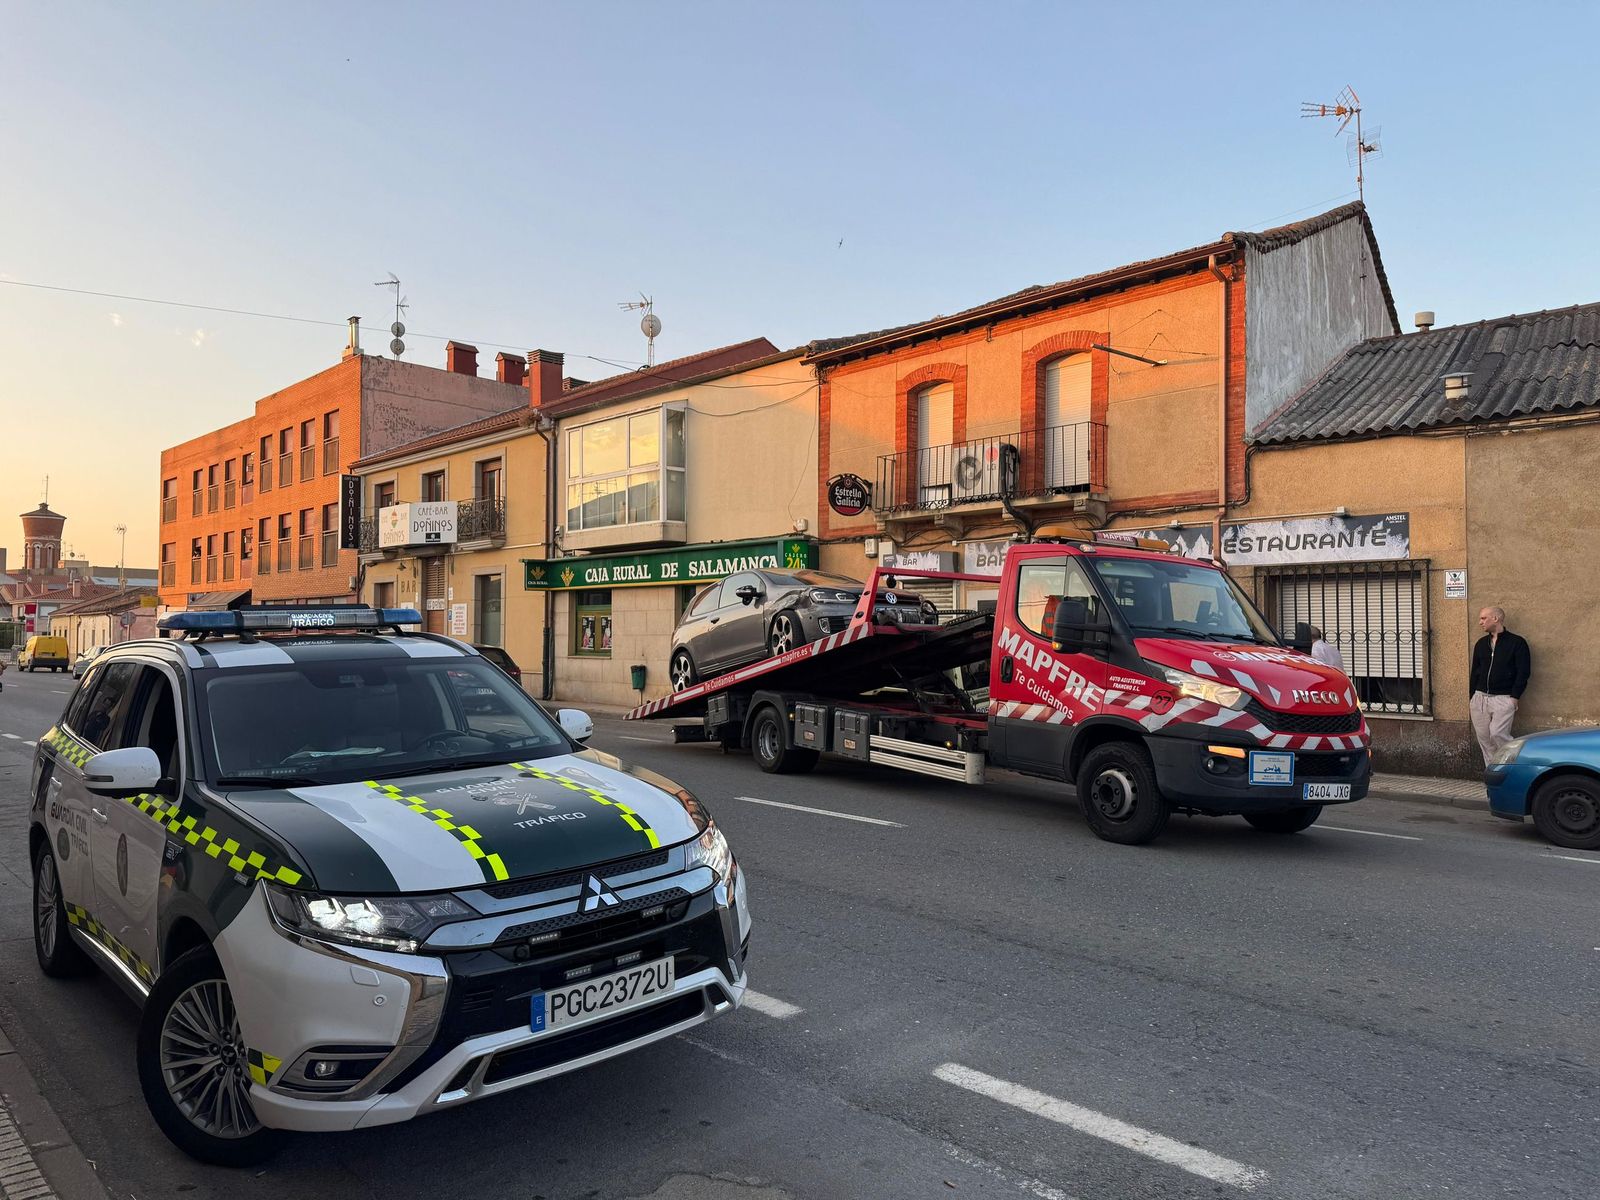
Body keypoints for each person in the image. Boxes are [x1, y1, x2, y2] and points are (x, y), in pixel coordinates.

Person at [1469, 605, 1531, 764]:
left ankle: (1512, 767)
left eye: (1483, 618)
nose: (1480, 622)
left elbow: (1523, 672)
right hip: (1480, 698)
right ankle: (1492, 774)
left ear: (1495, 618)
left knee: (1497, 734)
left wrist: (1515, 697)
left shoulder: (1517, 643)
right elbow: (1475, 671)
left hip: (1504, 698)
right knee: (1485, 740)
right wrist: (1472, 697)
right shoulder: (1481, 644)